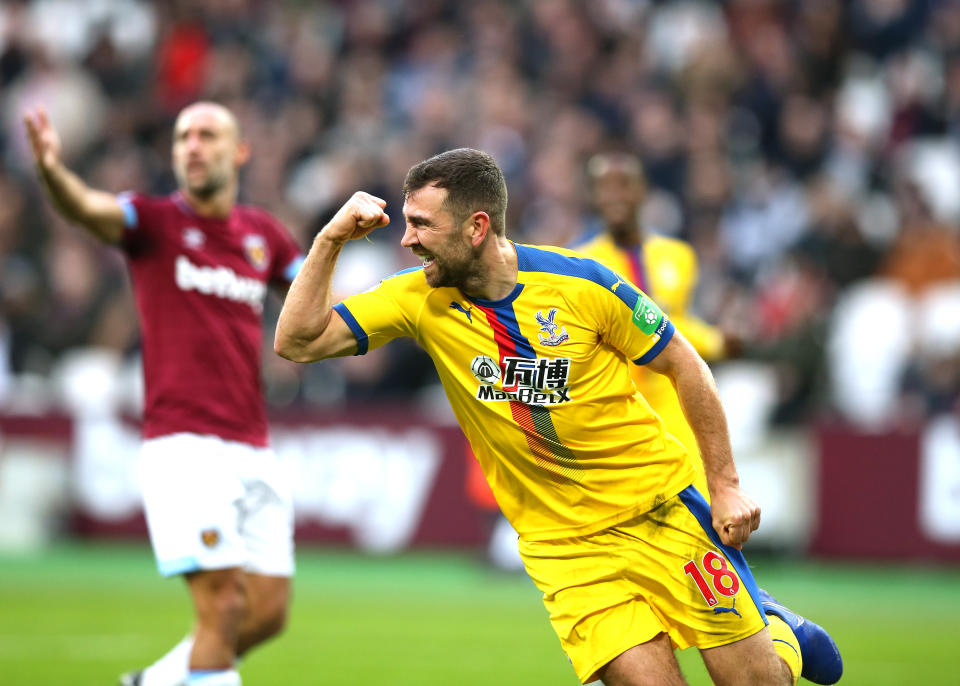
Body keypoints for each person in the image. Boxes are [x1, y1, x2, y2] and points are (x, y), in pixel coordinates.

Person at [274, 148, 842, 685]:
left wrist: (724, 485)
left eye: (422, 225)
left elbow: (685, 364)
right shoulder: (416, 300)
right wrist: (328, 239)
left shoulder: (582, 284)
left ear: (476, 228)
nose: (406, 240)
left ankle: (775, 632)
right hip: (564, 550)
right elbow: (297, 342)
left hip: (658, 511)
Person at [24, 102, 303, 686]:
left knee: (267, 613)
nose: (193, 146)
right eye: (183, 137)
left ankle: (153, 681)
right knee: (223, 605)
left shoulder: (264, 237)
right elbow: (88, 208)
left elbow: (313, 296)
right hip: (184, 445)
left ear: (240, 151)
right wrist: (54, 172)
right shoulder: (154, 222)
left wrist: (335, 248)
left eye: (207, 135)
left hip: (252, 443)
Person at [573, 151, 736, 497]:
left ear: (642, 191)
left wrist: (715, 339)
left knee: (698, 499)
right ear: (593, 196)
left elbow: (675, 323)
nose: (615, 194)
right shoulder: (579, 263)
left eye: (624, 185)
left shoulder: (678, 256)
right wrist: (716, 341)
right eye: (604, 187)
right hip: (616, 408)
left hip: (675, 399)